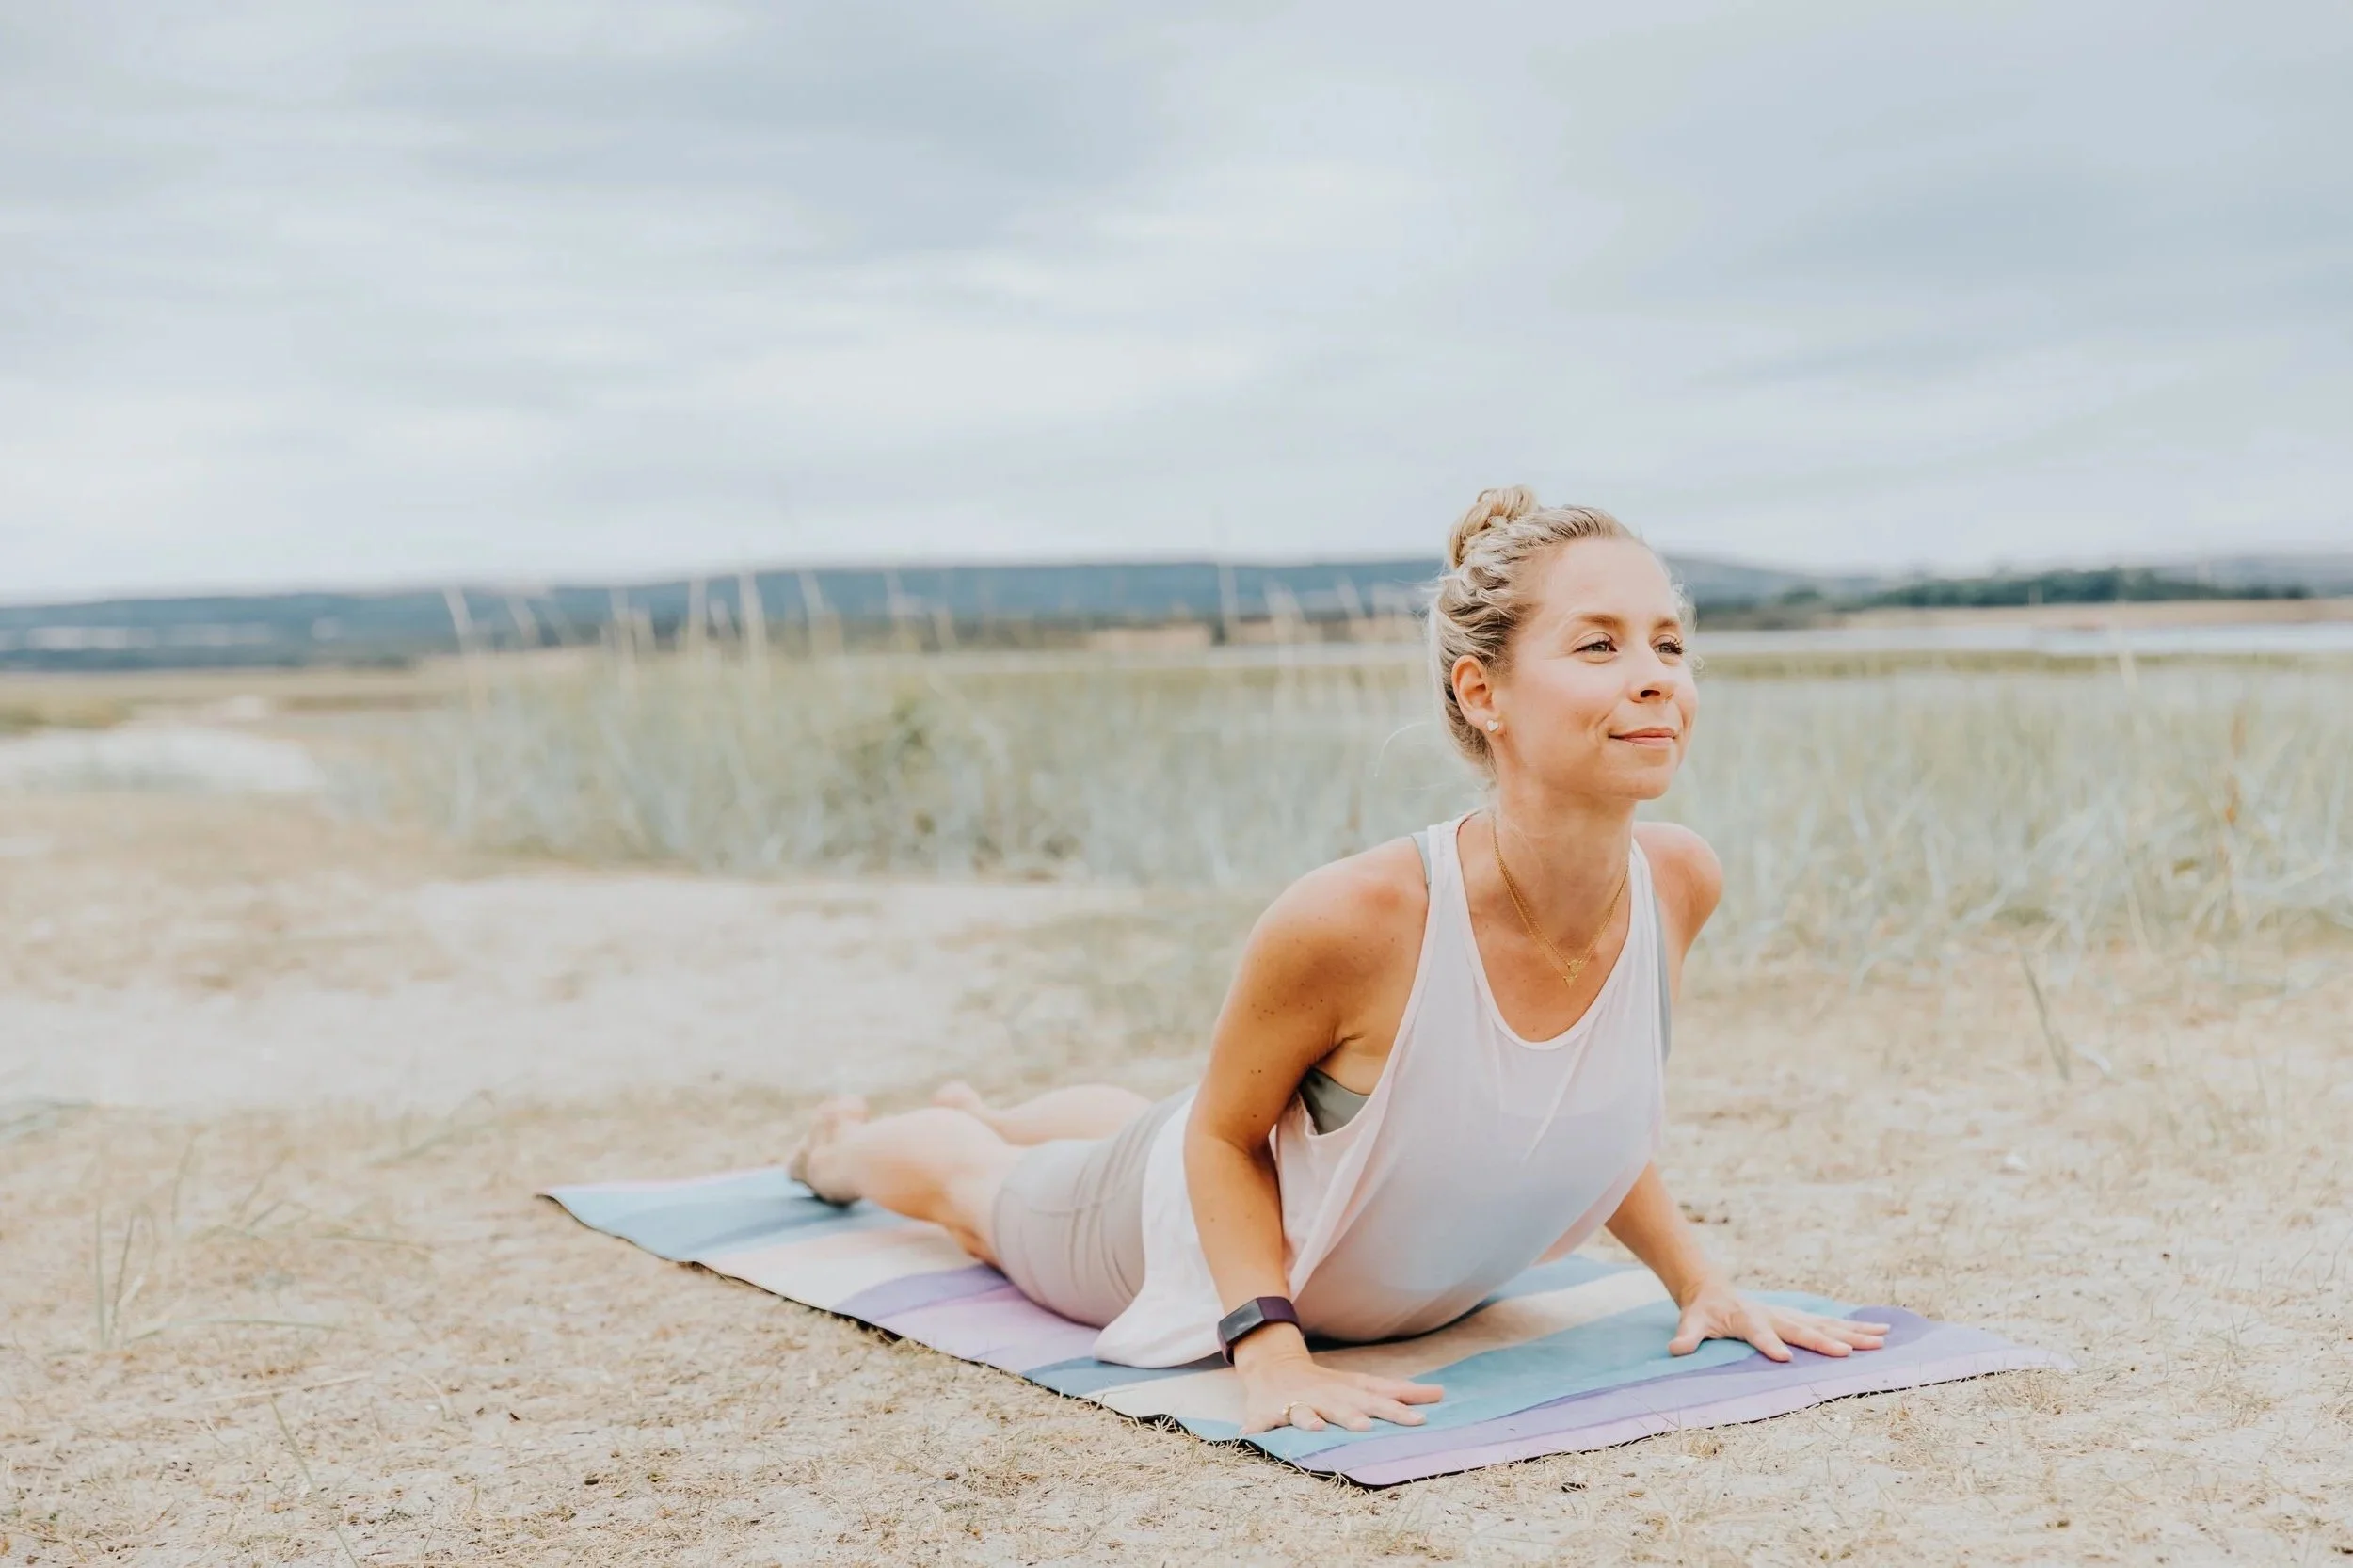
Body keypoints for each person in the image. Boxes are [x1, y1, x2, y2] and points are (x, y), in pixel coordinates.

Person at [790, 486, 1889, 1435]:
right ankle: (845, 1147)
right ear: (1481, 692)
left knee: (1160, 1115)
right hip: (1170, 1229)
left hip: (1277, 1165)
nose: (1654, 676)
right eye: (1598, 644)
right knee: (978, 1187)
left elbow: (1579, 1114)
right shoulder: (1356, 916)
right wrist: (1268, 1352)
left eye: (1669, 642)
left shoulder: (1677, 880)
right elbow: (1224, 1137)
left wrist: (1703, 1283)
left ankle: (1000, 1105)